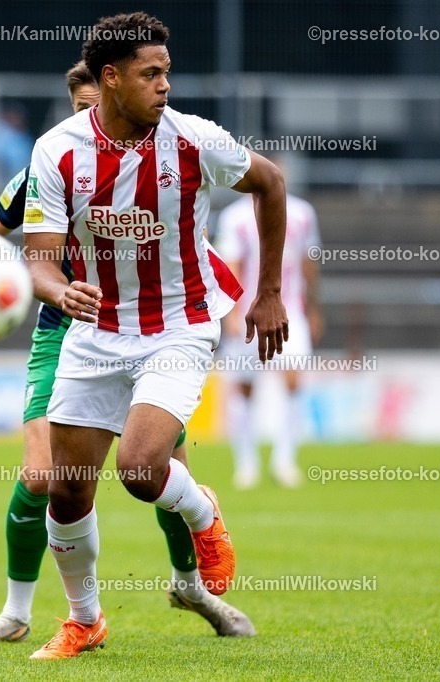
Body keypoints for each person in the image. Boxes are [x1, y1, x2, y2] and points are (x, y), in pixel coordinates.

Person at [0, 61, 254, 643]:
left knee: (160, 473)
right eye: (80, 109)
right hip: (67, 330)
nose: (93, 120)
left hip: (157, 327)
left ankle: (190, 586)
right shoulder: (49, 165)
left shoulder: (166, 152)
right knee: (46, 473)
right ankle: (20, 613)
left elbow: (251, 188)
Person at [22, 13, 288, 659]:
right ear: (111, 79)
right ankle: (84, 620)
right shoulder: (56, 150)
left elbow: (271, 182)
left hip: (180, 323)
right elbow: (39, 259)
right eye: (151, 73)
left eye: (167, 71)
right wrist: (61, 290)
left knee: (141, 471)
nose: (165, 85)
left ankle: (203, 514)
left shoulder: (194, 139)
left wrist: (270, 293)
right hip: (96, 328)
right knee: (66, 487)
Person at [216, 173, 323, 489]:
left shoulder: (302, 213)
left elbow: (308, 263)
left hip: (291, 312)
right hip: (248, 315)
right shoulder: (235, 217)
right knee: (245, 389)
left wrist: (313, 308)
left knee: (293, 381)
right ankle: (246, 464)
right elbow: (232, 265)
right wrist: (232, 313)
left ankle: (284, 460)